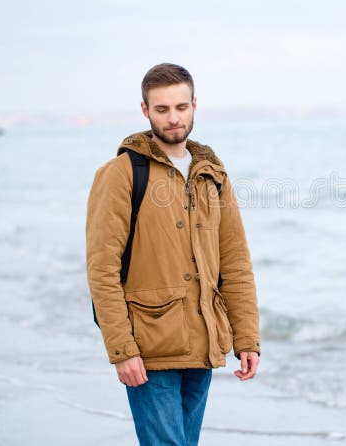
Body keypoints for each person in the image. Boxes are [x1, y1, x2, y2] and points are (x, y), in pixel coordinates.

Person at [86, 63, 260, 446]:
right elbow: (103, 269)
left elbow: (235, 261)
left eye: (181, 107)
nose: (174, 117)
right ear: (145, 111)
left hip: (203, 345)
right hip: (148, 350)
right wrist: (121, 350)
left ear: (195, 105)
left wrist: (246, 337)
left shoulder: (212, 174)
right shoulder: (121, 173)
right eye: (162, 109)